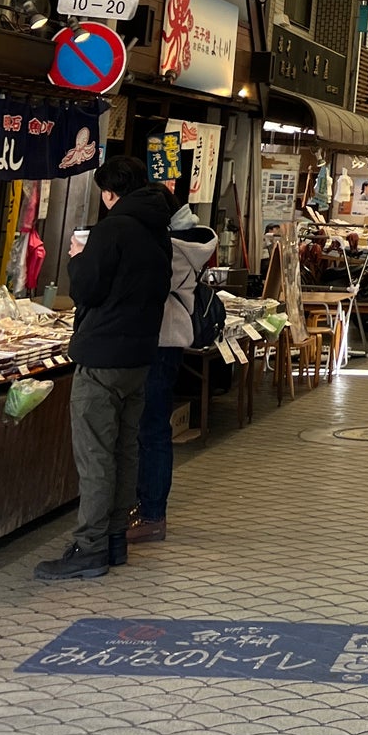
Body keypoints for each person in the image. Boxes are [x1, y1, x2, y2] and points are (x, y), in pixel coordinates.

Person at [35, 154, 172, 581]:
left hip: (102, 357)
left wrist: (78, 257)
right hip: (139, 355)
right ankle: (115, 538)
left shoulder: (113, 229)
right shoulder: (157, 230)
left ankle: (89, 547)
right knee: (125, 449)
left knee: (95, 454)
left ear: (111, 193)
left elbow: (88, 290)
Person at [126, 199, 217, 545]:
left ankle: (150, 513)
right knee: (154, 429)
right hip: (170, 342)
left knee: (151, 431)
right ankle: (147, 509)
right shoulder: (192, 244)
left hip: (158, 340)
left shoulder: (171, 250)